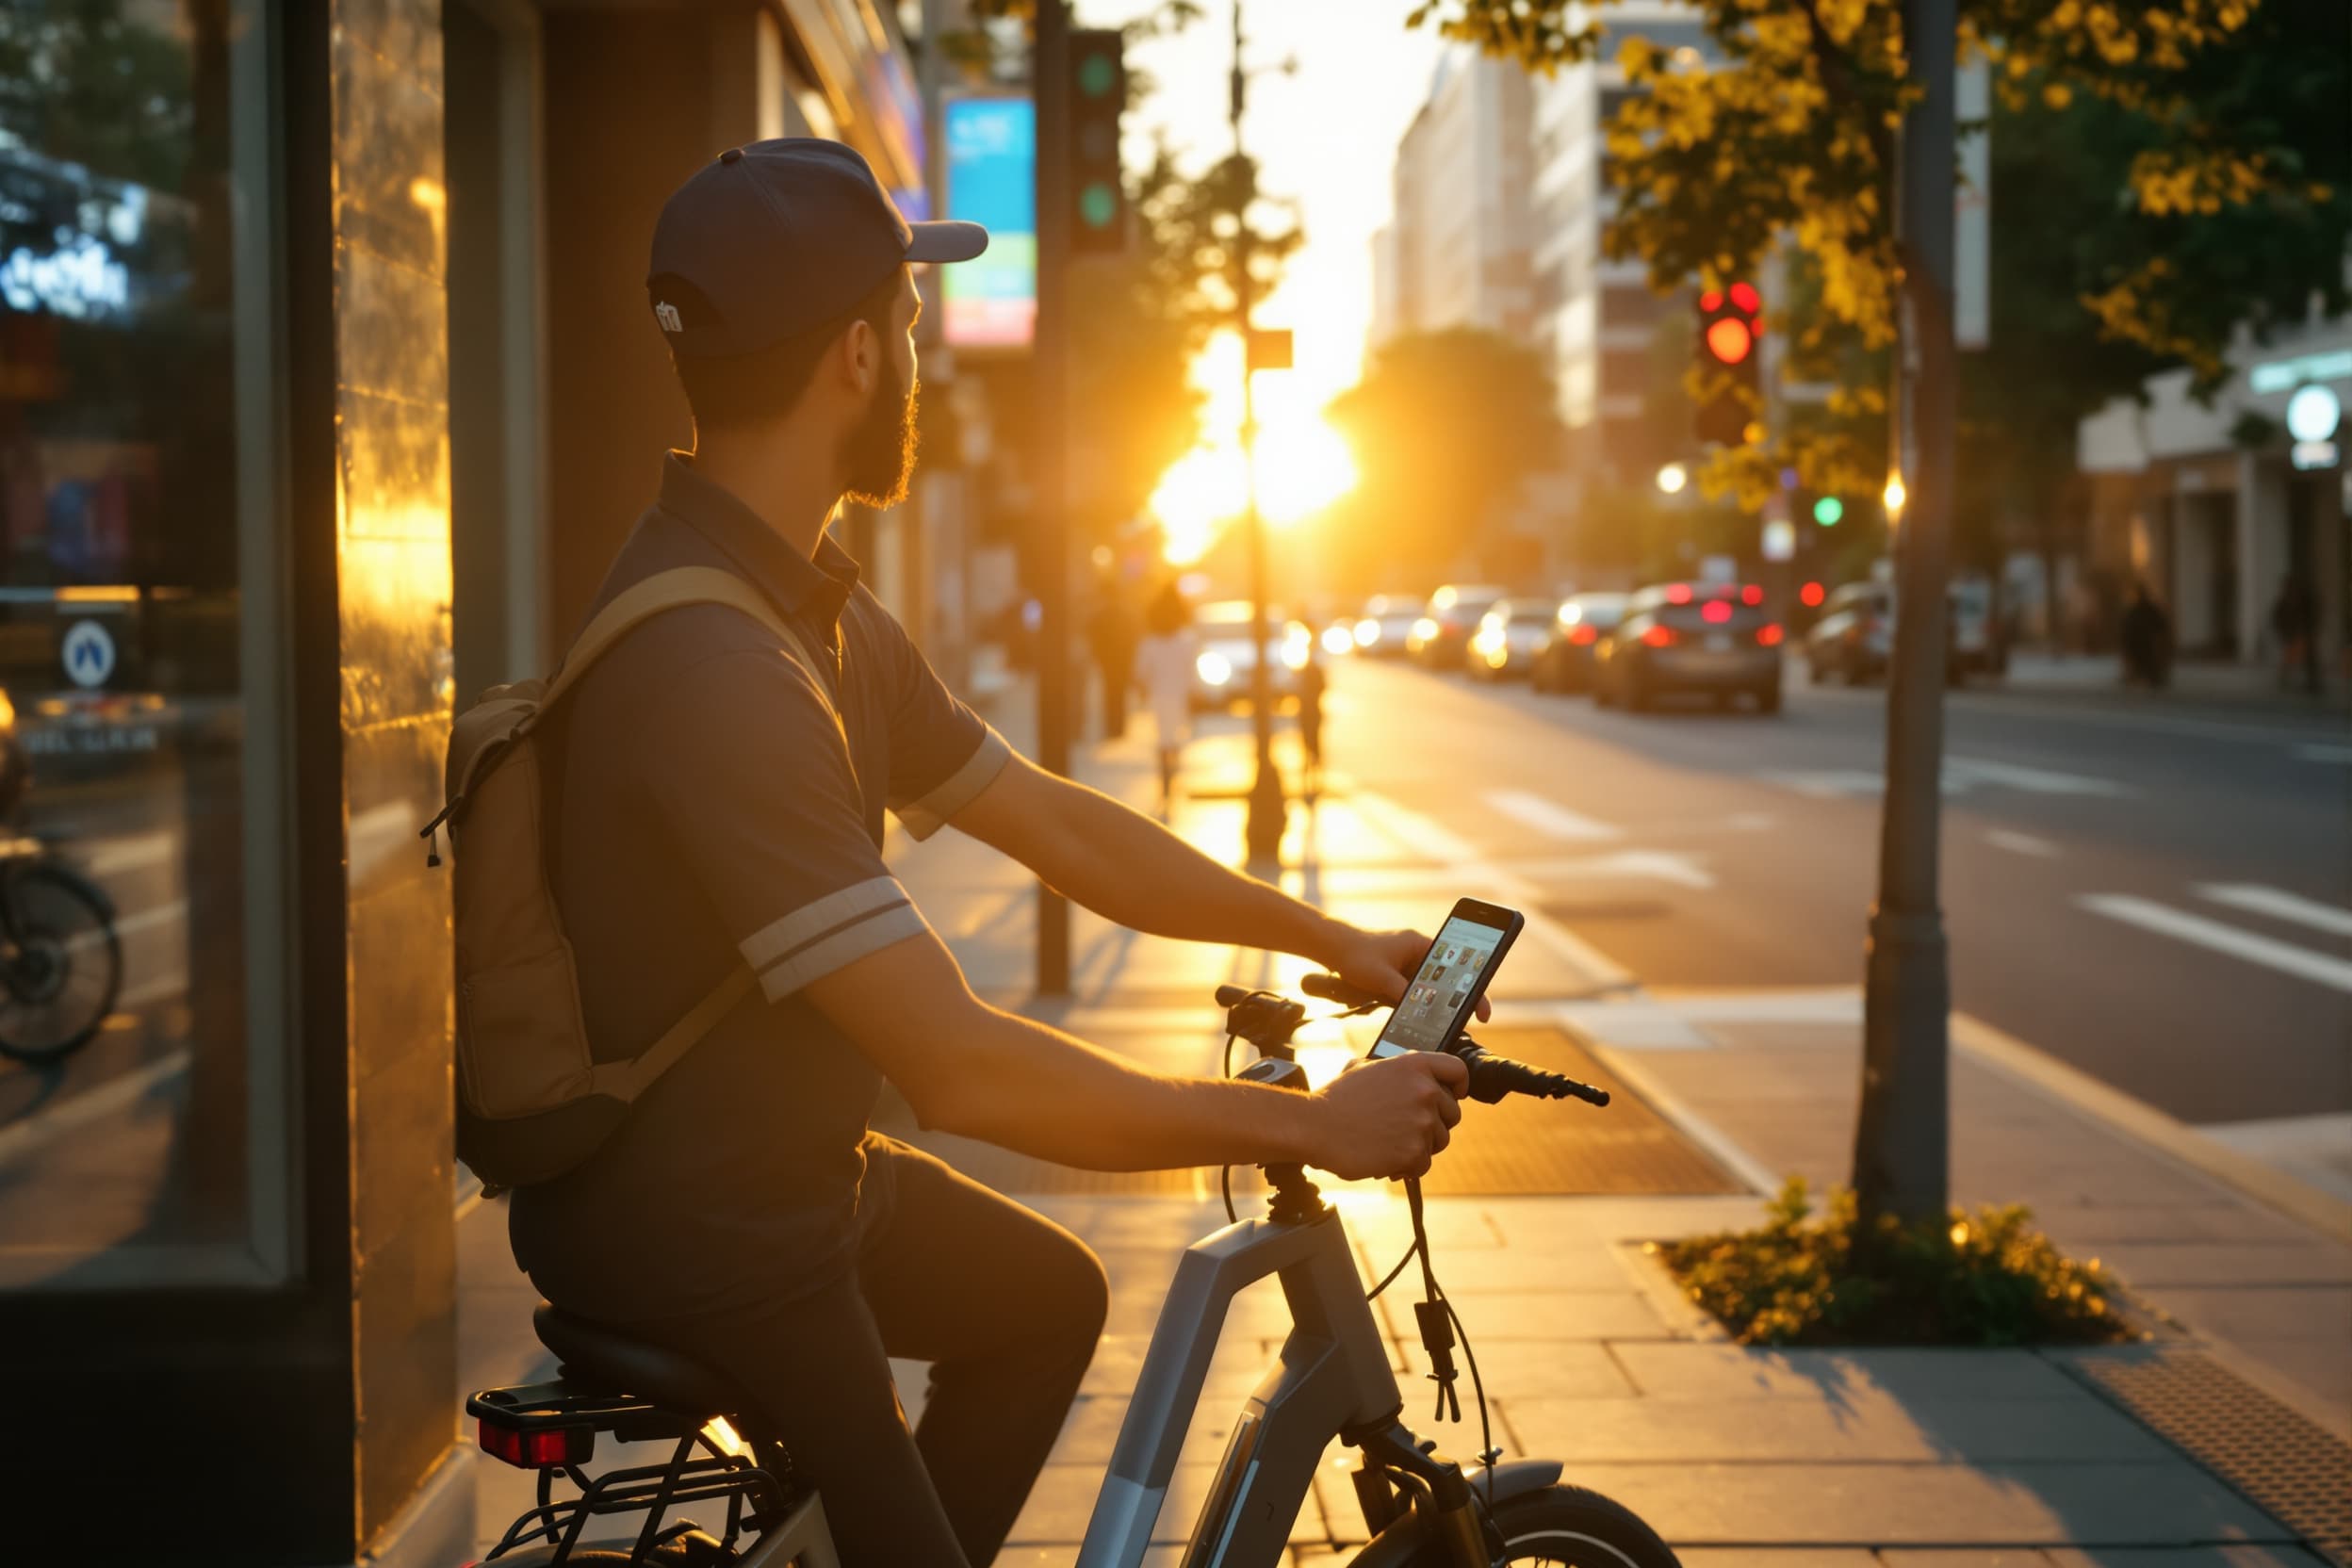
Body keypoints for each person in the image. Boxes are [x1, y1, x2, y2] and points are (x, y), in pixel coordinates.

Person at [509, 139, 1465, 1568]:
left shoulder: (801, 610)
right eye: (905, 317)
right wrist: (1310, 1125)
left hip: (778, 1175)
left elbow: (1060, 824)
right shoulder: (721, 668)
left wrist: (1328, 943)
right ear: (853, 354)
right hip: (705, 1226)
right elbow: (962, 1068)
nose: (917, 347)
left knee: (1044, 1298)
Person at [1134, 580, 1197, 810]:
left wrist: (1142, 693)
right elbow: (1191, 672)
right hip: (1177, 694)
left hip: (1160, 695)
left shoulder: (1150, 643)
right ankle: (1171, 781)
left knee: (1164, 742)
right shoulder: (1185, 641)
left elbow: (1141, 672)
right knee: (1174, 741)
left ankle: (1166, 784)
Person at [1085, 578, 1139, 739]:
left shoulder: (1102, 615)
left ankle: (1112, 726)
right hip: (1119, 660)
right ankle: (1118, 726)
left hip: (1109, 661)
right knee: (1119, 692)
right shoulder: (1124, 614)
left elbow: (1093, 636)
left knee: (1110, 692)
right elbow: (1132, 637)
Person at [2271, 571, 2320, 694]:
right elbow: (2278, 619)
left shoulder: (2303, 602)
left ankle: (2311, 682)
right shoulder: (2283, 603)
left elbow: (2311, 617)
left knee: (2307, 658)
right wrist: (2284, 633)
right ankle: (2286, 680)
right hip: (2291, 635)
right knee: (2290, 659)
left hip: (2301, 634)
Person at [2119, 579, 2171, 689]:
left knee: (2148, 660)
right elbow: (2126, 630)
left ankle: (2149, 674)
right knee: (2143, 659)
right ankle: (2143, 674)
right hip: (2139, 644)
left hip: (2146, 644)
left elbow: (2161, 627)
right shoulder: (2136, 610)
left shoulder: (2145, 610)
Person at [1295, 645, 1328, 798]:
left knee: (1312, 745)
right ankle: (1311, 779)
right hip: (1308, 713)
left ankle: (1314, 779)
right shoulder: (1303, 671)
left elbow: (1322, 687)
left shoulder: (1310, 671)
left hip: (1311, 712)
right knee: (1309, 746)